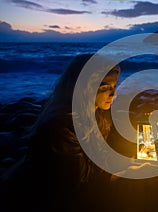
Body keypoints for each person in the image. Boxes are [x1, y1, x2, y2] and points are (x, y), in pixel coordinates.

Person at [27, 53, 121, 211]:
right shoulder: (61, 127)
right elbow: (76, 185)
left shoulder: (99, 113)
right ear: (83, 87)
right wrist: (126, 169)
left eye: (114, 86)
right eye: (105, 88)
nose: (113, 94)